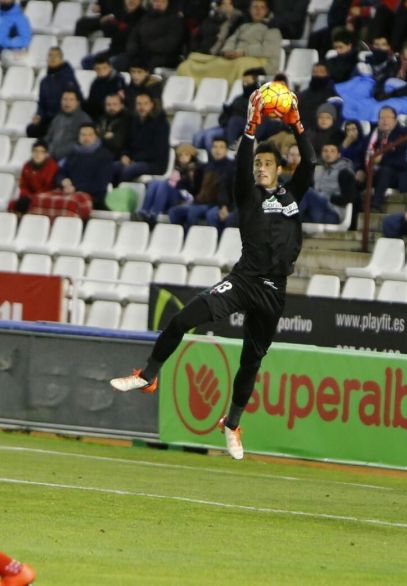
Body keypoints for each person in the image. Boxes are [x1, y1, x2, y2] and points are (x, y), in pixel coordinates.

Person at [111, 88, 315, 462]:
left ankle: (232, 423)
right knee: (181, 318)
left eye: (267, 164)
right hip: (243, 282)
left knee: (251, 361)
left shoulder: (291, 197)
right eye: (258, 164)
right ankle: (149, 374)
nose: (260, 168)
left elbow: (311, 163)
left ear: (279, 168)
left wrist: (297, 124)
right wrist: (251, 130)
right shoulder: (248, 195)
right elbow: (241, 165)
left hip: (274, 292)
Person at [177, 0, 283, 85]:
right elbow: (231, 41)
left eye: (262, 8)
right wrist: (227, 51)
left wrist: (242, 52)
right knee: (191, 62)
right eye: (255, 7)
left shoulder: (271, 29)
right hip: (234, 57)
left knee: (239, 65)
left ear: (267, 11)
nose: (258, 11)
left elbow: (267, 50)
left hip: (256, 60)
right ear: (250, 10)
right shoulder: (243, 26)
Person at [168, 137, 236, 231]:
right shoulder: (204, 167)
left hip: (216, 204)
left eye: (221, 147)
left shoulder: (231, 167)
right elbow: (195, 190)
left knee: (195, 211)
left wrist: (225, 206)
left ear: (226, 150)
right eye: (215, 147)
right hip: (201, 202)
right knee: (174, 212)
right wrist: (189, 178)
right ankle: (180, 239)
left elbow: (230, 190)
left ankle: (198, 240)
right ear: (211, 149)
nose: (217, 150)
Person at [111, 91, 171, 184]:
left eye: (145, 104)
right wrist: (125, 155)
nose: (142, 107)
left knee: (129, 170)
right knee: (112, 167)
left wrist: (135, 159)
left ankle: (122, 196)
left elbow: (157, 150)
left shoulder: (161, 123)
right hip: (135, 160)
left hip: (154, 163)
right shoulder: (133, 121)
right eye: (139, 104)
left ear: (151, 105)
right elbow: (127, 142)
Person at [366, 106, 407, 212]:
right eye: (382, 117)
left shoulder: (403, 135)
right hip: (376, 171)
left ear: (395, 120)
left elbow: (404, 162)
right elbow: (363, 152)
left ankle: (375, 206)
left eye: (388, 117)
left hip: (400, 176)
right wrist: (359, 169)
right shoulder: (374, 134)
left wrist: (382, 159)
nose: (384, 120)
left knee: (385, 171)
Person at [54, 124, 114, 212]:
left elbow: (100, 184)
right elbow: (60, 173)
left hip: (94, 197)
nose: (86, 138)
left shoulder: (104, 156)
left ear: (96, 137)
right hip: (70, 192)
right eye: (83, 135)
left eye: (90, 135)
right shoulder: (73, 154)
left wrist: (76, 188)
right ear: (78, 137)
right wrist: (62, 181)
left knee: (69, 203)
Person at [135, 143, 200, 224]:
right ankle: (144, 211)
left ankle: (155, 213)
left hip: (183, 198)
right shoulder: (178, 169)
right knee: (154, 182)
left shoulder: (195, 170)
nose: (183, 157)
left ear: (192, 157)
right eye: (181, 155)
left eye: (186, 155)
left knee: (164, 184)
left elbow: (191, 191)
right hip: (173, 194)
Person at [26, 47, 81, 140]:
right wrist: (39, 115)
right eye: (50, 55)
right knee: (31, 129)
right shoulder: (44, 81)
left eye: (56, 56)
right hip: (49, 118)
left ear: (61, 59)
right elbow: (42, 103)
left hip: (64, 118)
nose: (52, 58)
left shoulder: (68, 78)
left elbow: (74, 101)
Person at [116, 0, 184, 72]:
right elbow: (134, 36)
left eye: (162, 2)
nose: (158, 4)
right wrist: (132, 48)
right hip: (140, 54)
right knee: (118, 62)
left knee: (143, 66)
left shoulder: (175, 20)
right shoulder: (145, 18)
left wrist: (147, 48)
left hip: (163, 57)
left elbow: (170, 42)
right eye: (156, 1)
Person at [302, 141, 357, 225]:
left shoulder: (344, 172)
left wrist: (328, 198)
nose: (328, 154)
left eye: (332, 151)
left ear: (339, 154)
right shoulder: (317, 169)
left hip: (333, 213)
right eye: (325, 151)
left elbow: (349, 197)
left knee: (307, 191)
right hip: (315, 210)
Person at [6, 140, 58, 214]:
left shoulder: (52, 166)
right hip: (29, 196)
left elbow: (49, 186)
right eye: (35, 151)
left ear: (46, 154)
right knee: (17, 203)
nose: (38, 154)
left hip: (45, 195)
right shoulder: (27, 166)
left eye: (41, 152)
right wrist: (27, 195)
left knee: (26, 203)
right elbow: (23, 185)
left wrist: (33, 197)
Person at [44, 89, 94, 162]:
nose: (67, 103)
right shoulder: (57, 118)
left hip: (71, 159)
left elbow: (84, 143)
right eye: (65, 99)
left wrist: (60, 153)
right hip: (51, 157)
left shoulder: (84, 119)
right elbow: (48, 137)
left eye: (71, 100)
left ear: (77, 103)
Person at [85, 55, 126, 120]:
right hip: (96, 116)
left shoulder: (118, 81)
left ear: (110, 67)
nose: (101, 71)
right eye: (98, 68)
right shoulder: (95, 82)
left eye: (104, 68)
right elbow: (91, 102)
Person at [97, 93, 129, 158]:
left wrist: (101, 135)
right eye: (108, 105)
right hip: (99, 154)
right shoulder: (101, 119)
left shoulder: (127, 120)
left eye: (115, 104)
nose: (111, 107)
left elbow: (117, 143)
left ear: (122, 105)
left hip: (117, 156)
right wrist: (105, 135)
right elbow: (92, 138)